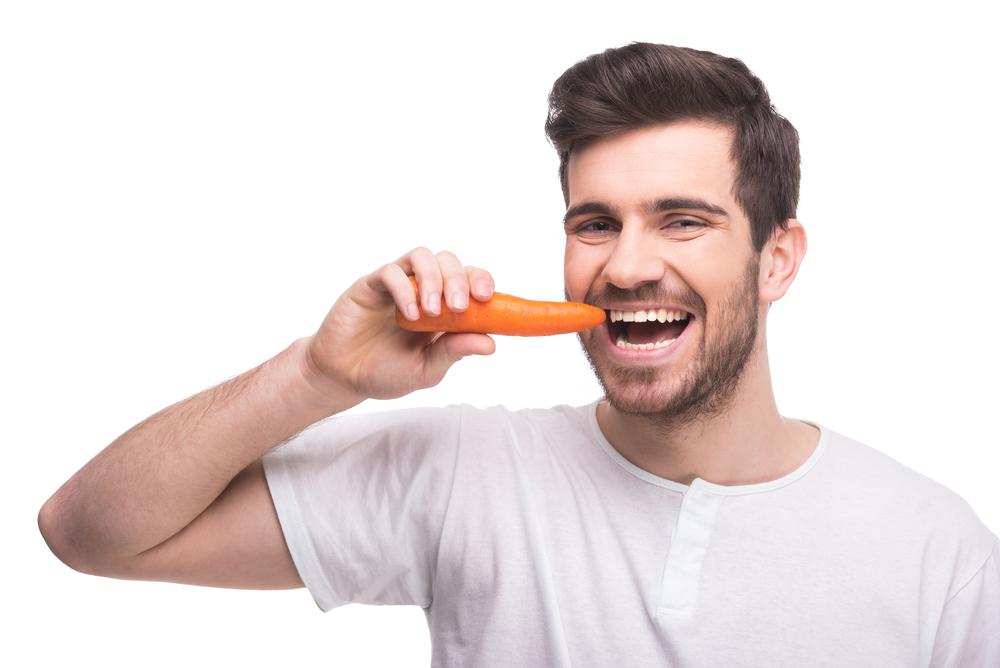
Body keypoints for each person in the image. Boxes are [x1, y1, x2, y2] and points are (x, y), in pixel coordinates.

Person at [38, 42, 998, 666]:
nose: (626, 266)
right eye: (595, 223)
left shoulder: (933, 548)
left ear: (776, 257)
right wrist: (314, 377)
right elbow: (89, 533)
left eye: (682, 220)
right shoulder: (464, 473)